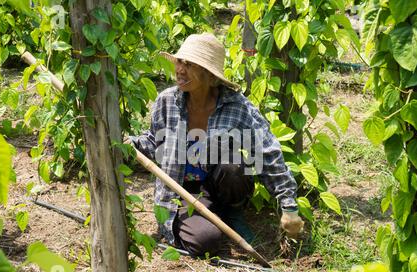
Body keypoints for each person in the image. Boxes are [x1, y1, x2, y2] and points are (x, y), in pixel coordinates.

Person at [127, 33, 303, 256]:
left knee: (235, 166)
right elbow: (155, 142)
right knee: (205, 241)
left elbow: (265, 151)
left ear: (210, 76)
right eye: (180, 61)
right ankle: (206, 221)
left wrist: (289, 206)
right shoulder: (167, 101)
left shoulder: (235, 106)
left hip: (216, 184)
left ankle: (232, 213)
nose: (180, 69)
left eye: (189, 65)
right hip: (180, 191)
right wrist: (129, 144)